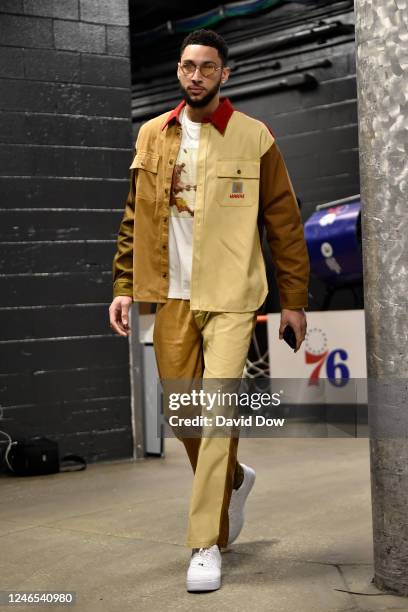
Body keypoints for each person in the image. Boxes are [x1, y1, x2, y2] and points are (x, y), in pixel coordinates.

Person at [109, 28, 310, 593]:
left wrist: (294, 301)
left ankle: (205, 544)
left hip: (232, 296)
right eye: (187, 65)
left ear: (225, 74)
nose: (195, 75)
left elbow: (285, 225)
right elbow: (133, 218)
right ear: (179, 70)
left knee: (217, 413)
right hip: (170, 295)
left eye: (207, 67)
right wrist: (124, 285)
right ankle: (234, 480)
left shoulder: (255, 137)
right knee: (184, 417)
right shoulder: (151, 135)